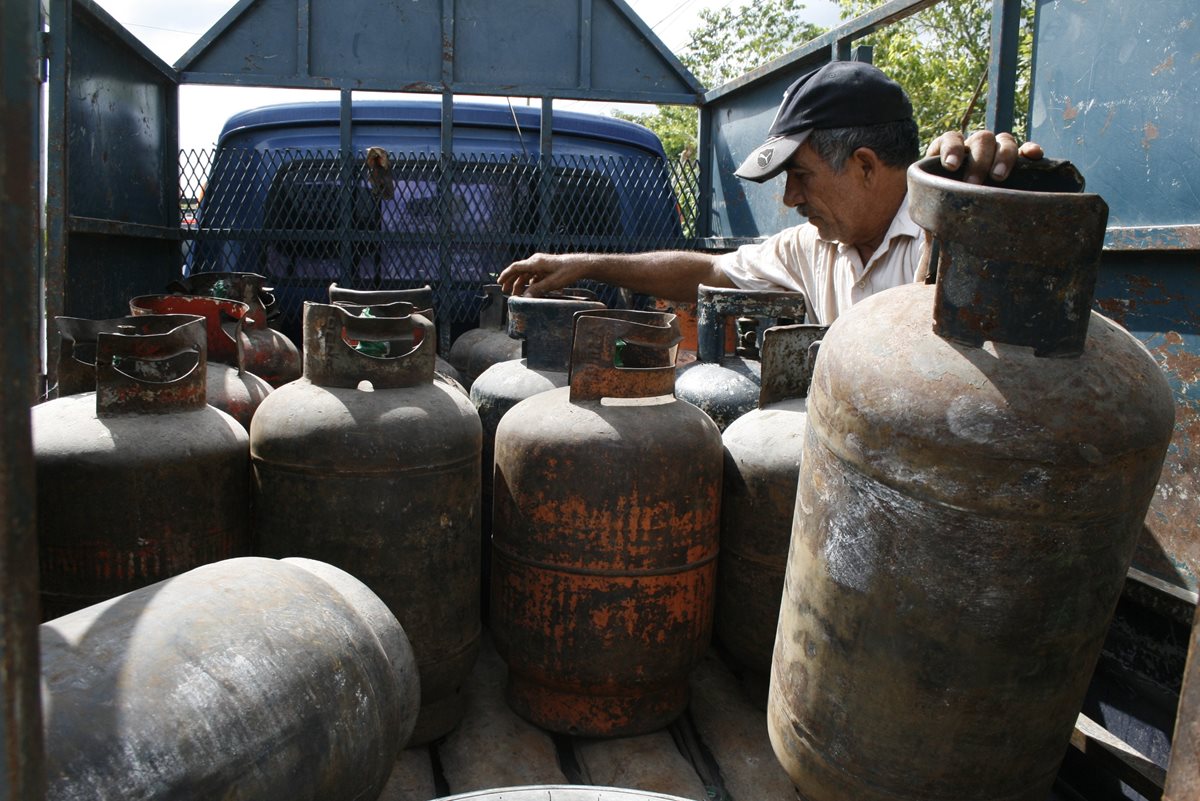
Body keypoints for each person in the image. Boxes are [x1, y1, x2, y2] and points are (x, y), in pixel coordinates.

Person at [497, 60, 1043, 325]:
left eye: (800, 175)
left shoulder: (962, 231)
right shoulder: (813, 246)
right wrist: (584, 263)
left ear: (865, 166)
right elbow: (708, 272)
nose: (788, 200)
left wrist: (1000, 196)